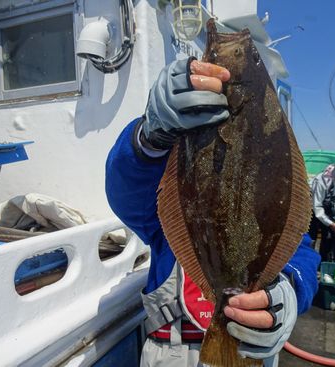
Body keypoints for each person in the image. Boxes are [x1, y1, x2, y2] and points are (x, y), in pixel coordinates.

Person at [105, 57, 321, 367]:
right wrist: (149, 137)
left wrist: (290, 286)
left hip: (250, 347)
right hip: (176, 351)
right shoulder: (167, 194)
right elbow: (126, 192)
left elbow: (300, 251)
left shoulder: (270, 193)